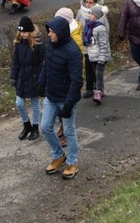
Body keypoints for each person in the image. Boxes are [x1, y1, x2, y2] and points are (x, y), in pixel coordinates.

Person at [39, 15, 83, 180]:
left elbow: (76, 80)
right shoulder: (51, 45)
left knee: (69, 131)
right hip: (51, 96)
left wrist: (69, 104)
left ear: (60, 32)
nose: (49, 35)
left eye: (51, 32)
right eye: (49, 31)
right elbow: (46, 66)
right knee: (46, 128)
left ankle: (72, 162)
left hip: (65, 99)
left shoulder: (73, 52)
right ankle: (59, 155)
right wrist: (41, 83)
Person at [10, 16, 44, 141]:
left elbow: (43, 62)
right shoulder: (19, 44)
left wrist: (41, 78)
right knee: (19, 103)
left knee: (35, 104)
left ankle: (35, 127)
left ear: (30, 31)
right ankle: (26, 125)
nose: (22, 34)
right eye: (21, 32)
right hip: (22, 77)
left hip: (34, 77)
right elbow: (15, 62)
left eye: (24, 32)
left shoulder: (38, 44)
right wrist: (13, 76)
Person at [75, 0, 107, 99]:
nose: (88, 4)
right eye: (86, 2)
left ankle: (98, 88)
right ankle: (89, 88)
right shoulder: (81, 12)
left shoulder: (99, 13)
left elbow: (106, 29)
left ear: (96, 3)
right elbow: (76, 25)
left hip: (96, 46)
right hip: (86, 45)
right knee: (88, 67)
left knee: (96, 69)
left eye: (90, 2)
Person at [82, 4, 110, 105]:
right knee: (97, 75)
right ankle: (101, 89)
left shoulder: (101, 28)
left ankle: (98, 93)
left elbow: (104, 44)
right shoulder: (89, 25)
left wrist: (102, 58)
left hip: (100, 56)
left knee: (98, 74)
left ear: (97, 16)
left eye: (92, 14)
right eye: (90, 14)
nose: (90, 16)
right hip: (93, 55)